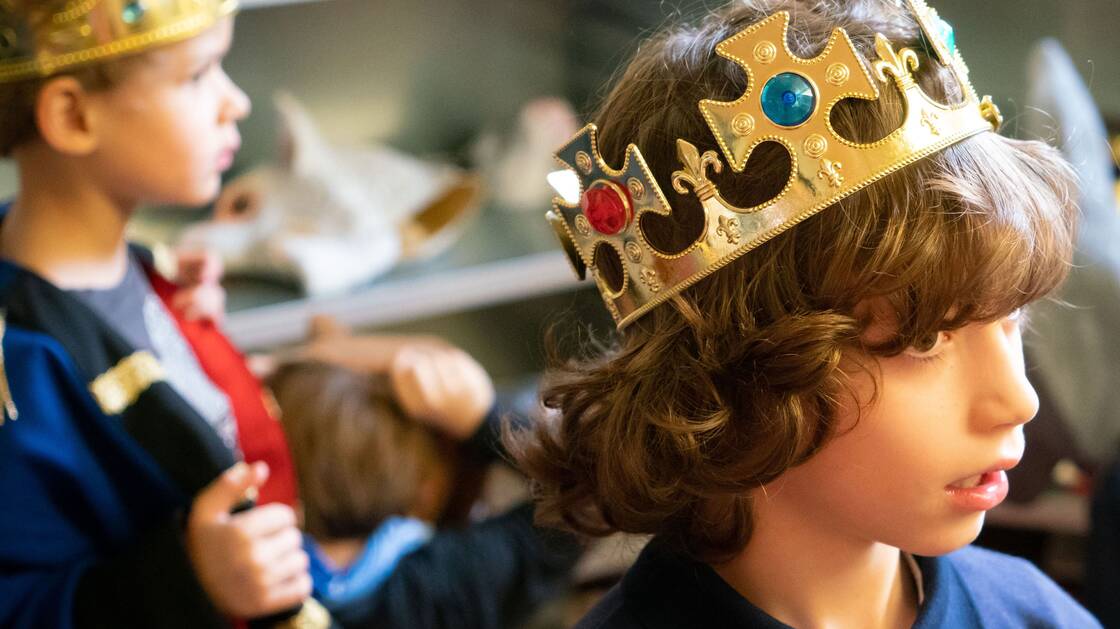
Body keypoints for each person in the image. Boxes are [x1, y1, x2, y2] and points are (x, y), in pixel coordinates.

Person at [508, 0, 1103, 627]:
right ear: (731, 370)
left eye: (1011, 319)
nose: (1019, 400)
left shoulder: (1035, 613)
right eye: (926, 338)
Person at [0, 1, 319, 627]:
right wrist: (189, 578)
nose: (237, 102)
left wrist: (189, 330)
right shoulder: (18, 379)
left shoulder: (146, 270)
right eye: (198, 75)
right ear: (72, 114)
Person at [268, 321, 581, 628]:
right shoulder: (446, 585)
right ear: (425, 487)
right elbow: (584, 500)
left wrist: (304, 365)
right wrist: (486, 420)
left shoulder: (250, 581)